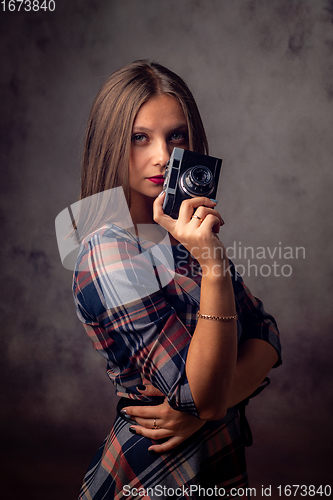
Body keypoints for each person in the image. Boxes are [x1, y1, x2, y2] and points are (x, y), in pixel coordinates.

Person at [72, 60, 281, 500]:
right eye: (139, 138)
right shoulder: (107, 250)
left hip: (217, 462)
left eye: (176, 136)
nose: (163, 156)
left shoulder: (180, 232)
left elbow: (265, 332)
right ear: (110, 144)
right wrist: (209, 402)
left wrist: (207, 405)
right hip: (155, 475)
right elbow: (203, 394)